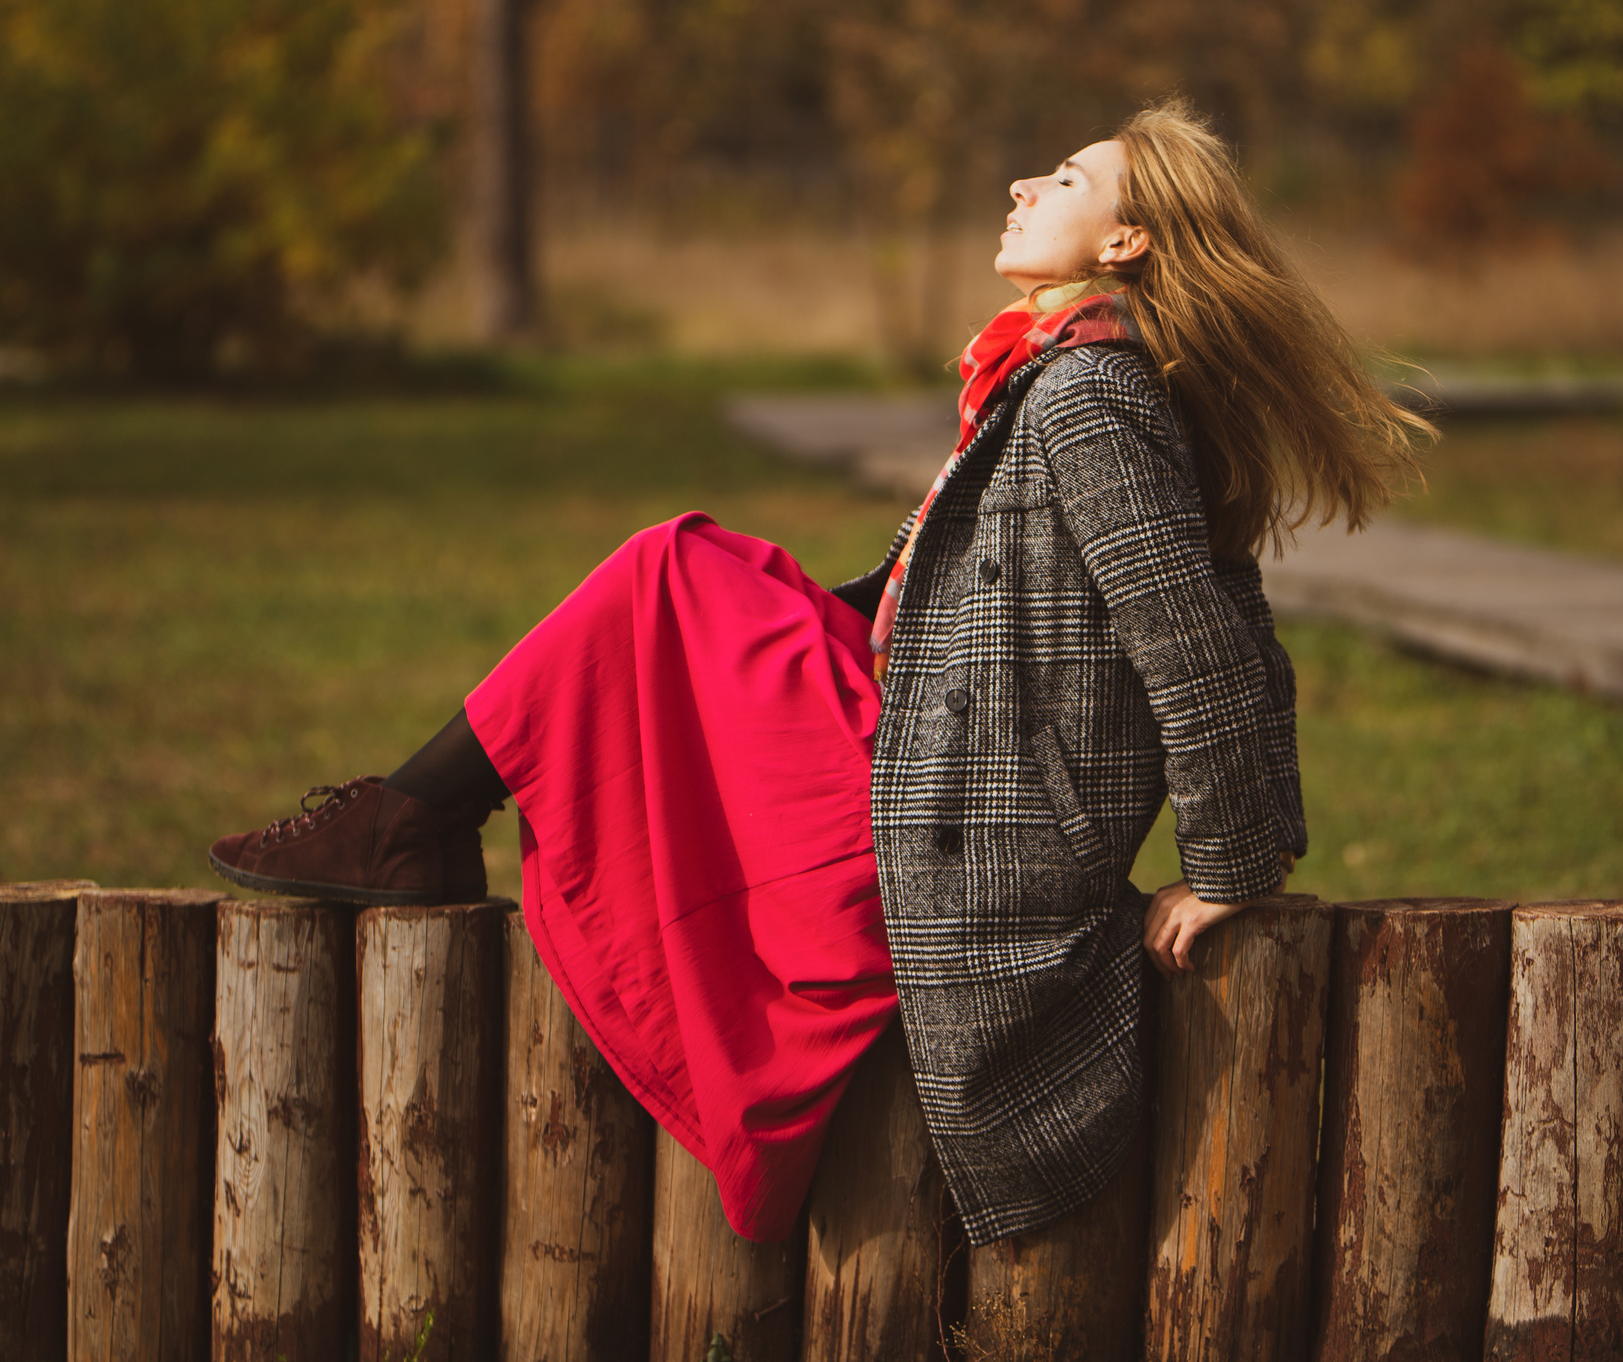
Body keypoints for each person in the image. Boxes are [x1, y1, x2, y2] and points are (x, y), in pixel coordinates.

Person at [205, 100, 1430, 1248]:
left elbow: (1202, 638)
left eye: (1062, 177)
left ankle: (409, 821)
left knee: (660, 574)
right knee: (685, 570)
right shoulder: (1073, 372)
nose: (1019, 182)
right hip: (934, 749)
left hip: (950, 817)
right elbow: (1208, 620)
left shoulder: (1091, 394)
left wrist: (1228, 862)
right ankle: (411, 819)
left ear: (1127, 238)